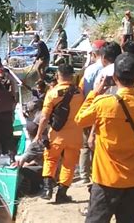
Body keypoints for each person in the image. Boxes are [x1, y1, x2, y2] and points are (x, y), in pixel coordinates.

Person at [75, 53, 134, 223]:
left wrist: (94, 93)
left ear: (114, 78)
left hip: (106, 181)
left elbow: (80, 119)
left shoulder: (103, 104)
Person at [34, 63, 84, 203]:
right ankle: (62, 194)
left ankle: (47, 189)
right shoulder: (80, 93)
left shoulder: (52, 93)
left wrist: (38, 135)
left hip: (56, 135)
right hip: (75, 135)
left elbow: (44, 117)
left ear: (57, 76)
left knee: (50, 159)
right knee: (69, 164)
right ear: (72, 76)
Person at [76, 39, 106, 184]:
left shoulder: (90, 70)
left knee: (86, 145)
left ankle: (83, 175)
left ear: (94, 54)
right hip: (107, 109)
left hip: (91, 108)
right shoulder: (112, 68)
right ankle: (98, 171)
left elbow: (84, 91)